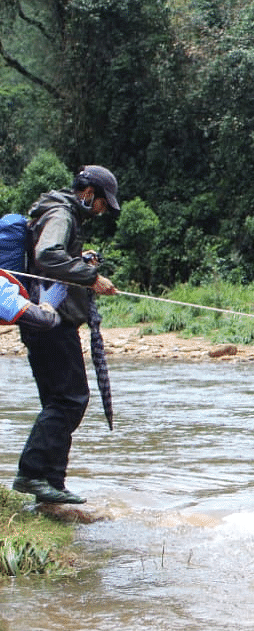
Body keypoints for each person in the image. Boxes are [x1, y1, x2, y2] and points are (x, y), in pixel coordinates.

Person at [11, 165, 120, 505]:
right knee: (71, 399)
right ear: (88, 193)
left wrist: (81, 261)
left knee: (58, 400)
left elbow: (48, 258)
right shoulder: (61, 213)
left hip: (42, 317)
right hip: (49, 319)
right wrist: (90, 277)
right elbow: (47, 255)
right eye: (102, 202)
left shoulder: (59, 212)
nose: (102, 209)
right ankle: (32, 475)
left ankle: (50, 483)